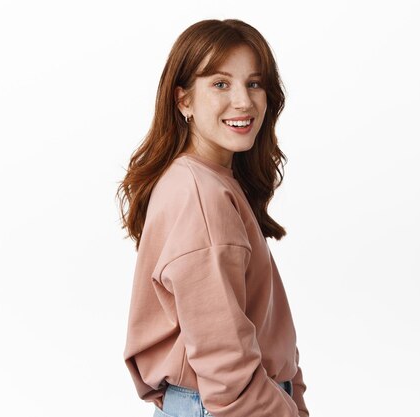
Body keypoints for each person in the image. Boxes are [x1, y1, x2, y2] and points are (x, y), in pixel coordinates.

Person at [115, 19, 310, 417]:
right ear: (183, 100)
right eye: (220, 84)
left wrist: (293, 396)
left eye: (254, 83)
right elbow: (228, 372)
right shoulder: (201, 196)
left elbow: (259, 332)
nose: (243, 101)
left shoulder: (208, 181)